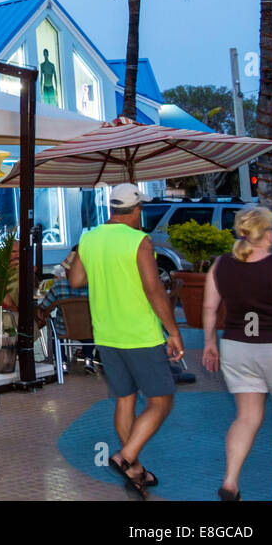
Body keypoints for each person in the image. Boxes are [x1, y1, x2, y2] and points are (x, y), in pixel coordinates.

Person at [72, 182, 183, 499]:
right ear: (135, 210)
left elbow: (76, 280)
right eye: (141, 209)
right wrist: (173, 331)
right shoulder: (139, 241)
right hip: (139, 335)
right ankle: (127, 456)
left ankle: (135, 472)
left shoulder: (90, 238)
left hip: (106, 334)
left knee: (125, 399)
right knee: (162, 401)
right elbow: (154, 289)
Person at [202, 206, 272, 501]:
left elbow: (209, 309)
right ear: (265, 234)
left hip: (237, 347)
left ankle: (230, 481)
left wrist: (209, 343)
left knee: (246, 418)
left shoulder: (220, 265)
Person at [36, 246, 95, 373]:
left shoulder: (58, 286)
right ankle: (89, 358)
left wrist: (42, 313)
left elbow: (44, 306)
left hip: (64, 329)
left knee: (53, 327)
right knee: (91, 324)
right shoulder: (95, 285)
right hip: (90, 329)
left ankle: (62, 361)